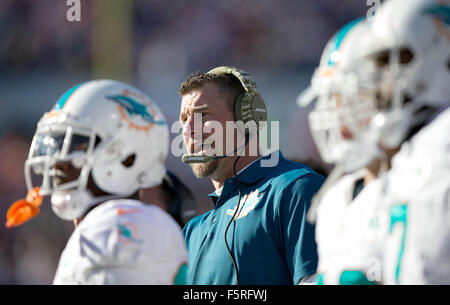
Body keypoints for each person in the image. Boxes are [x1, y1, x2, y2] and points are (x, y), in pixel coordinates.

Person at [301, 0, 450, 284]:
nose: (382, 82)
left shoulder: (439, 143)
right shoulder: (410, 158)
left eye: (395, 59)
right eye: (377, 66)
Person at [6, 79, 189, 284]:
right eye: (56, 146)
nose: (57, 162)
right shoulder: (112, 223)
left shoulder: (115, 229)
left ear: (127, 157)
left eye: (74, 144)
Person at [178, 66, 325, 285]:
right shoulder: (192, 231)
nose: (189, 130)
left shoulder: (296, 189)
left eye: (202, 115)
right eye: (184, 119)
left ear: (247, 118)